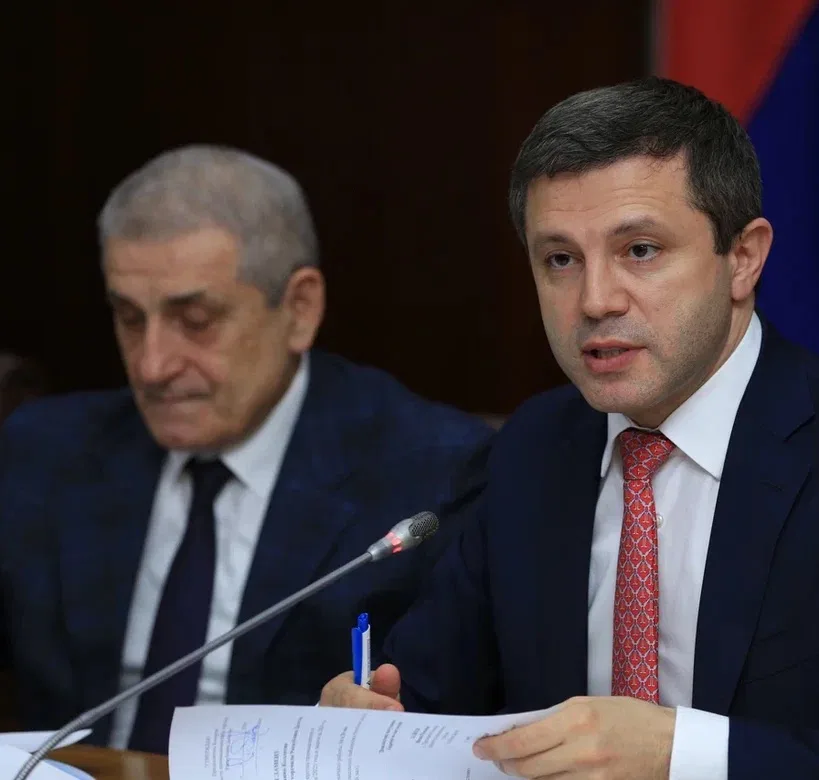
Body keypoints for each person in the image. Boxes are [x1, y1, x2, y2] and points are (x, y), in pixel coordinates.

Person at [319, 78, 819, 779]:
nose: (595, 301)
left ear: (743, 259)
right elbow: (433, 707)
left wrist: (685, 758)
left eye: (640, 250)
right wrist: (377, 723)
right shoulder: (530, 452)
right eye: (560, 260)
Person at [0, 146, 494, 752]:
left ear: (300, 309)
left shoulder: (432, 475)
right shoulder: (45, 451)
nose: (152, 366)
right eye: (129, 318)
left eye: (195, 320)